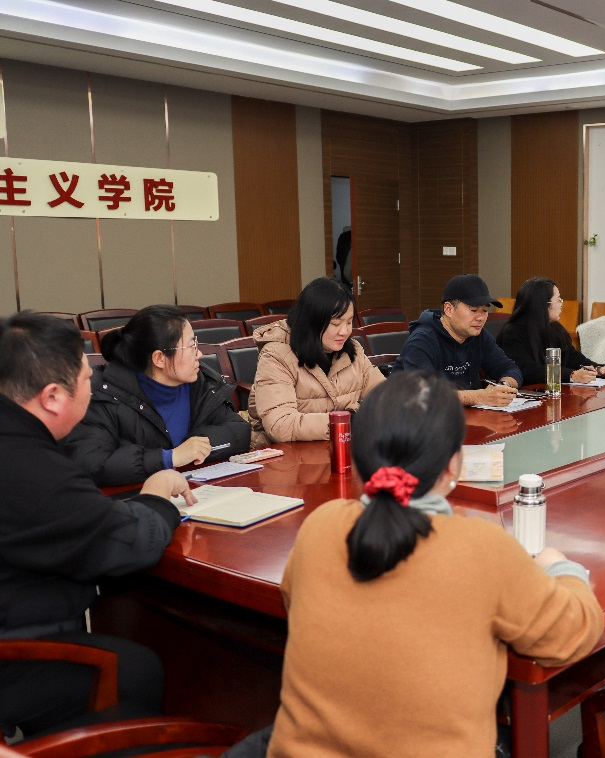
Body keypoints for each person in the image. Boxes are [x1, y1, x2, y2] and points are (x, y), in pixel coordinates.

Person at [266, 372, 604, 757]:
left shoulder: (320, 527)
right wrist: (561, 568)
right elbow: (572, 635)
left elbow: (295, 602)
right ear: (453, 466)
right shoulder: (481, 547)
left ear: (358, 460)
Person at [0, 312, 195, 739]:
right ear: (53, 397)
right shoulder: (31, 468)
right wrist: (156, 498)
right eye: (87, 379)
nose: (94, 388)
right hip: (16, 649)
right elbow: (131, 542)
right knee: (136, 671)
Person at [65, 305, 250, 486]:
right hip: (133, 497)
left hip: (194, 488)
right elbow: (93, 463)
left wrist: (197, 447)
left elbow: (239, 432)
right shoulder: (103, 392)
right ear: (160, 358)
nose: (200, 354)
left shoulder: (201, 381)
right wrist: (170, 457)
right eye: (191, 346)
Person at [248, 277, 384, 447]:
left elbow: (384, 395)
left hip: (338, 445)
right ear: (311, 322)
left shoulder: (353, 350)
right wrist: (346, 422)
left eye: (349, 322)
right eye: (335, 324)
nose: (345, 331)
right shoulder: (276, 356)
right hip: (287, 454)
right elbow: (280, 426)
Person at [392, 274, 523, 407]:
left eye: (484, 310)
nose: (481, 318)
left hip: (465, 414)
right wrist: (480, 396)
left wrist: (503, 387)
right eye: (474, 310)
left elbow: (510, 369)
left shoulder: (479, 336)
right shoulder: (422, 340)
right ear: (449, 309)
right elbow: (424, 394)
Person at [497, 277, 605, 386]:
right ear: (543, 305)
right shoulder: (513, 332)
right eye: (558, 300)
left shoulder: (554, 328)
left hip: (552, 392)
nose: (561, 304)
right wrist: (571, 375)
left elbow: (572, 357)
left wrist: (599, 369)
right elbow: (526, 370)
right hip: (527, 394)